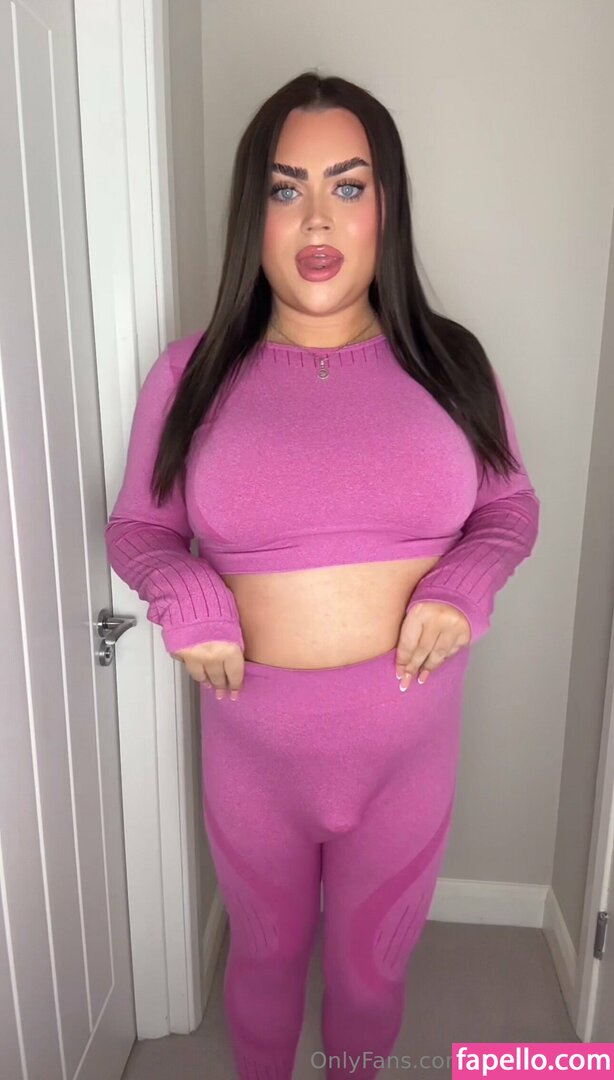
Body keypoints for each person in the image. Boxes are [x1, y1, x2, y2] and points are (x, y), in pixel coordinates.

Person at [105, 71, 540, 1080]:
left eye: (347, 186)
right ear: (251, 213)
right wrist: (185, 593)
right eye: (283, 187)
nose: (315, 219)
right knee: (261, 960)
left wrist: (465, 583)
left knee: (371, 971)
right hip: (252, 755)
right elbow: (138, 525)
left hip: (408, 753)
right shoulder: (190, 374)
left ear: (387, 206)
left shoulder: (452, 366)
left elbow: (509, 508)